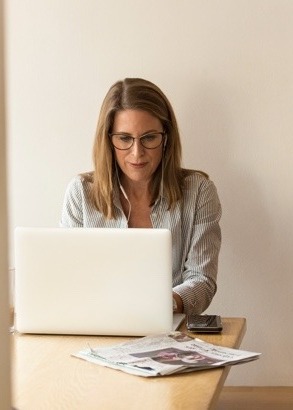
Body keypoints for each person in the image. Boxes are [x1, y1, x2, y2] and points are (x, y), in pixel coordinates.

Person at [61, 77, 221, 315]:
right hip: (96, 327)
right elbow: (69, 279)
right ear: (108, 140)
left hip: (170, 331)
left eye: (148, 138)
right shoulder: (81, 192)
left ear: (165, 137)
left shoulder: (199, 192)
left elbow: (202, 281)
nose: (137, 153)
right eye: (124, 138)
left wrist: (162, 304)